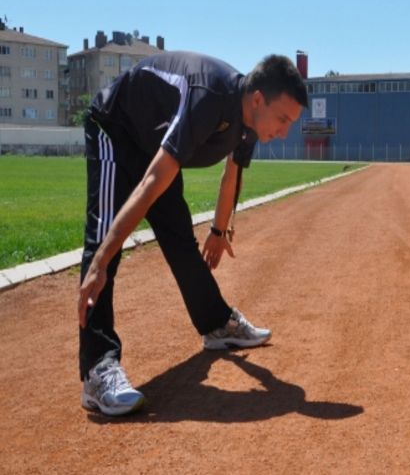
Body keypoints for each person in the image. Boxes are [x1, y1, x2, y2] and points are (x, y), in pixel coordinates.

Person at [77, 51, 307, 416]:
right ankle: (97, 369)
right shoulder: (209, 98)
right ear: (259, 99)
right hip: (116, 128)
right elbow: (153, 179)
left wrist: (219, 229)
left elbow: (232, 173)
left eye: (290, 123)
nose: (283, 132)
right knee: (105, 238)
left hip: (154, 143)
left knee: (180, 239)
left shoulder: (249, 119)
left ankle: (216, 324)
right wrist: (102, 258)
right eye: (282, 119)